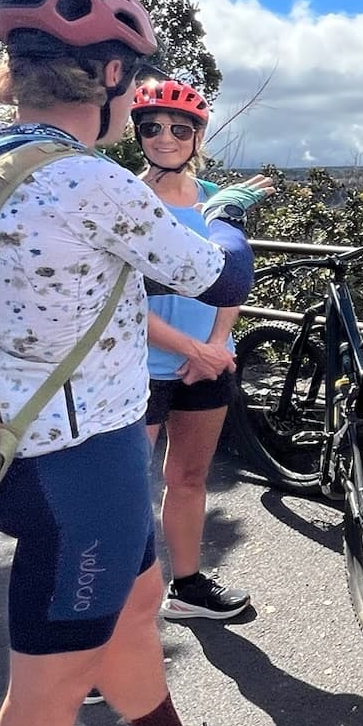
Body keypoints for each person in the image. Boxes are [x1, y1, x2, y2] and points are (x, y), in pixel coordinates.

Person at [0, 0, 280, 726]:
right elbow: (219, 268)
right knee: (46, 691)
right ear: (102, 75)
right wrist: (221, 211)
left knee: (138, 607)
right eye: (127, 86)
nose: (132, 106)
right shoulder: (80, 176)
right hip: (76, 461)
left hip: (29, 444)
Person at [132, 77, 266, 623]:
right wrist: (195, 346)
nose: (165, 137)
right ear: (136, 133)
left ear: (197, 135)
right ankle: (112, 621)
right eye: (152, 128)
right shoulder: (123, 197)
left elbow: (234, 280)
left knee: (188, 478)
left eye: (178, 128)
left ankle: (185, 587)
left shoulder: (215, 202)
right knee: (122, 493)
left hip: (206, 361)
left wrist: (213, 345)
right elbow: (112, 301)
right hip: (136, 367)